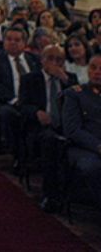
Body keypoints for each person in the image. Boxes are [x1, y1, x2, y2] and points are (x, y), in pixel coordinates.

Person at [19, 44, 77, 213]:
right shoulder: (30, 79)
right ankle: (50, 195)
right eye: (50, 58)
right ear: (42, 60)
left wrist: (65, 79)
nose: (54, 63)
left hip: (66, 127)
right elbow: (23, 106)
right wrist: (37, 112)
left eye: (59, 59)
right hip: (41, 127)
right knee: (50, 141)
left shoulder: (70, 79)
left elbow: (80, 101)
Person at [0, 24, 41, 155]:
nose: (12, 43)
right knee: (8, 115)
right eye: (9, 39)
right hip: (7, 102)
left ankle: (35, 153)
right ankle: (18, 155)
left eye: (17, 40)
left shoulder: (33, 60)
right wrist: (15, 100)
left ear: (24, 43)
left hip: (31, 103)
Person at [61, 53, 101, 213]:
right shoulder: (75, 94)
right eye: (93, 68)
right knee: (94, 167)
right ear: (88, 71)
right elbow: (73, 130)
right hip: (83, 148)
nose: (98, 72)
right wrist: (98, 146)